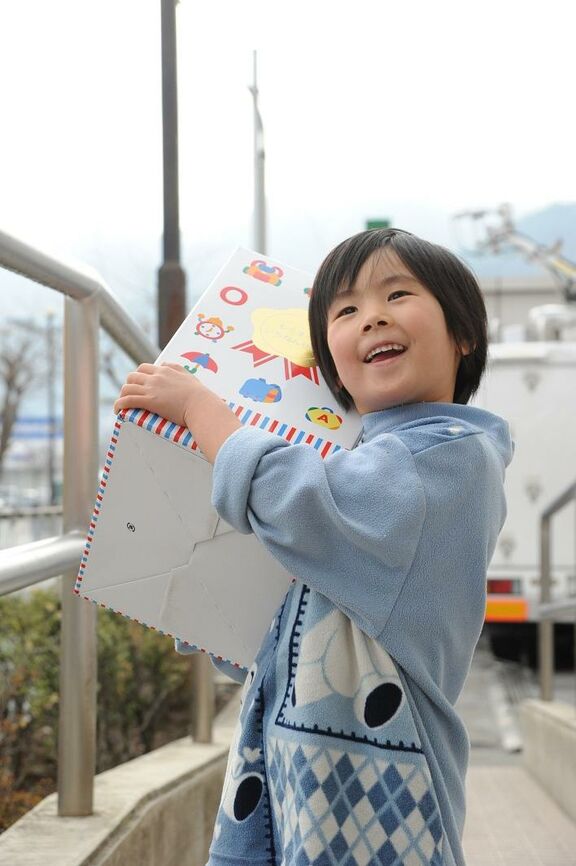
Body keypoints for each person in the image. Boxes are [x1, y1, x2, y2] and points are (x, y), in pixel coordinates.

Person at [114, 228, 513, 866]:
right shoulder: (366, 466)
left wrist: (200, 407)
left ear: (464, 336)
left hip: (385, 798)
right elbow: (291, 626)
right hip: (312, 788)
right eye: (346, 310)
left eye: (399, 293)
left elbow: (296, 495)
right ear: (331, 369)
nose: (372, 315)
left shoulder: (450, 457)